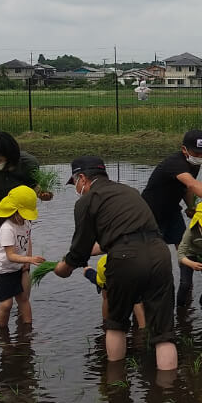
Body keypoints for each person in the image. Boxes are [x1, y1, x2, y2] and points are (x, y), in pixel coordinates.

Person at [52, 156, 179, 372]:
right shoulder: (129, 191)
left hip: (125, 259)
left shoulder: (86, 201)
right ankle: (167, 394)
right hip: (159, 252)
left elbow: (80, 250)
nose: (77, 188)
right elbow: (127, 233)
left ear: (82, 178)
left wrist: (63, 268)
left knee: (116, 323)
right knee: (163, 332)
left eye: (75, 183)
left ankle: (115, 385)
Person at [142, 129, 202, 248]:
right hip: (151, 212)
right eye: (197, 153)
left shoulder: (194, 164)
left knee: (183, 245)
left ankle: (187, 267)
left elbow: (187, 189)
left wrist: (191, 206)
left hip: (172, 209)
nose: (201, 156)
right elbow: (192, 184)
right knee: (155, 249)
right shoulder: (176, 163)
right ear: (184, 150)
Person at [0, 185, 44, 328]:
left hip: (20, 267)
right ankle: (2, 332)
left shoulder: (26, 223)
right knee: (7, 304)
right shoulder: (7, 228)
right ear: (14, 211)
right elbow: (10, 256)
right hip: (5, 271)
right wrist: (30, 260)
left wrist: (28, 260)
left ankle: (28, 329)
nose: (25, 217)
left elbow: (28, 240)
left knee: (23, 298)